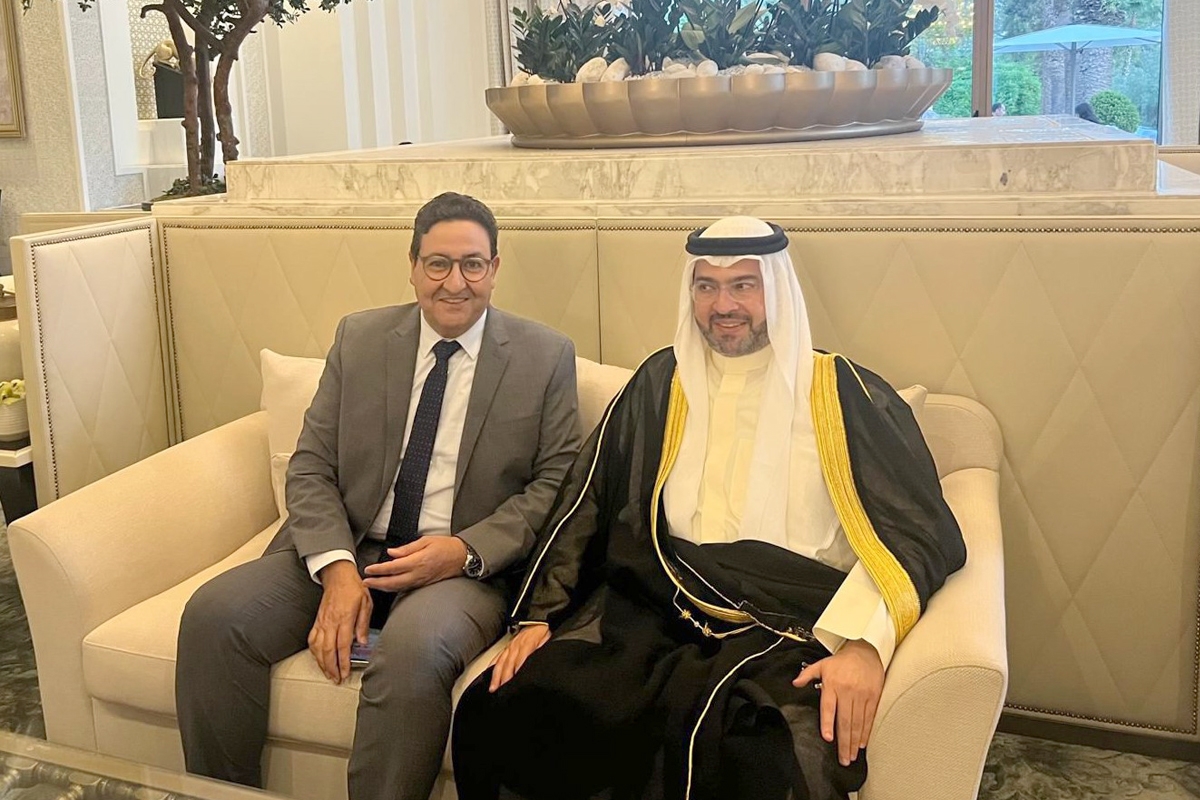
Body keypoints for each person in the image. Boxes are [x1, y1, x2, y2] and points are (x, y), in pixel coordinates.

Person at [452, 216, 966, 800]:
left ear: (778, 289)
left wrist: (866, 644)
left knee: (765, 748)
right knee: (508, 704)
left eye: (744, 285)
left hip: (787, 626)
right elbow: (588, 496)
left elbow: (919, 534)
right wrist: (539, 614)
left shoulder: (843, 392)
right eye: (707, 286)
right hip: (656, 607)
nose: (724, 305)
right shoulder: (660, 381)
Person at [175, 192, 582, 800]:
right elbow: (312, 465)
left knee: (413, 653)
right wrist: (337, 570)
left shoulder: (544, 356)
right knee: (215, 616)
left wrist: (464, 550)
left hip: (461, 569)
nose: (455, 282)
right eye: (438, 263)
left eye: (472, 264)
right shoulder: (360, 338)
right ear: (413, 265)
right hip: (353, 545)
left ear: (495, 268)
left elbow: (557, 484)